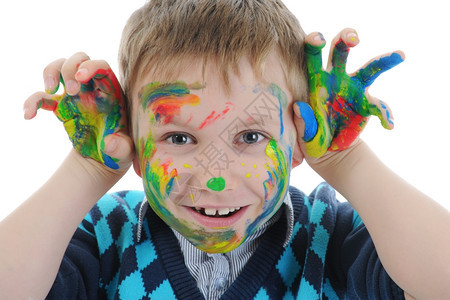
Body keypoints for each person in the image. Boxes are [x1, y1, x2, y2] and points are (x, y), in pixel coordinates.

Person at [1, 0, 449, 299]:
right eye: (179, 138)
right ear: (135, 143)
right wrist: (86, 171)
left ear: (295, 139)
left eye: (250, 138)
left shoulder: (330, 239)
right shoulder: (106, 238)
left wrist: (346, 161)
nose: (215, 177)